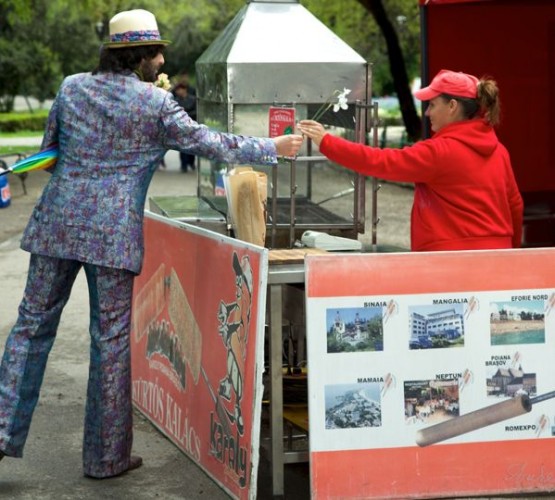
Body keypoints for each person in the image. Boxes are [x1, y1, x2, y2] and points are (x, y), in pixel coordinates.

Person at [0, 8, 302, 479]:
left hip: (55, 225)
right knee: (110, 341)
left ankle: (1, 435)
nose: (162, 61)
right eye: (157, 53)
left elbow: (50, 153)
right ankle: (106, 458)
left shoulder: (71, 87)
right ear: (140, 56)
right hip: (112, 237)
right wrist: (271, 148)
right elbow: (211, 143)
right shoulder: (155, 104)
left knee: (30, 329)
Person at [298, 69, 523, 252]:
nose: (427, 113)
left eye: (432, 105)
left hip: (451, 262)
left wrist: (327, 141)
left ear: (452, 106)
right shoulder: (499, 151)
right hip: (498, 257)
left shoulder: (439, 152)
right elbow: (515, 204)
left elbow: (381, 161)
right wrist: (509, 252)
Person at [172, 76, 197, 172]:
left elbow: (196, 111)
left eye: (180, 89)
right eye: (177, 90)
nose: (178, 92)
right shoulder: (175, 101)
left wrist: (186, 115)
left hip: (192, 125)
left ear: (184, 89)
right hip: (181, 127)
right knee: (182, 147)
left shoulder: (193, 99)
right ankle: (184, 165)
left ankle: (191, 162)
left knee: (192, 147)